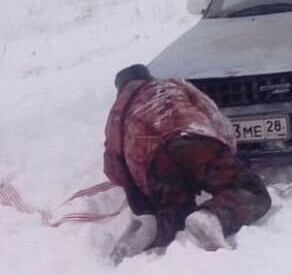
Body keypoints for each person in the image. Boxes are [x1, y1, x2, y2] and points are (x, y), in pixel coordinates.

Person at [103, 64, 271, 264]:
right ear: (147, 77)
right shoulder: (170, 85)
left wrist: (141, 195)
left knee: (175, 216)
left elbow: (113, 167)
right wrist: (229, 159)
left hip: (153, 163)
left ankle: (153, 229)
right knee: (252, 190)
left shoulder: (116, 114)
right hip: (191, 138)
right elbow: (215, 117)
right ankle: (212, 217)